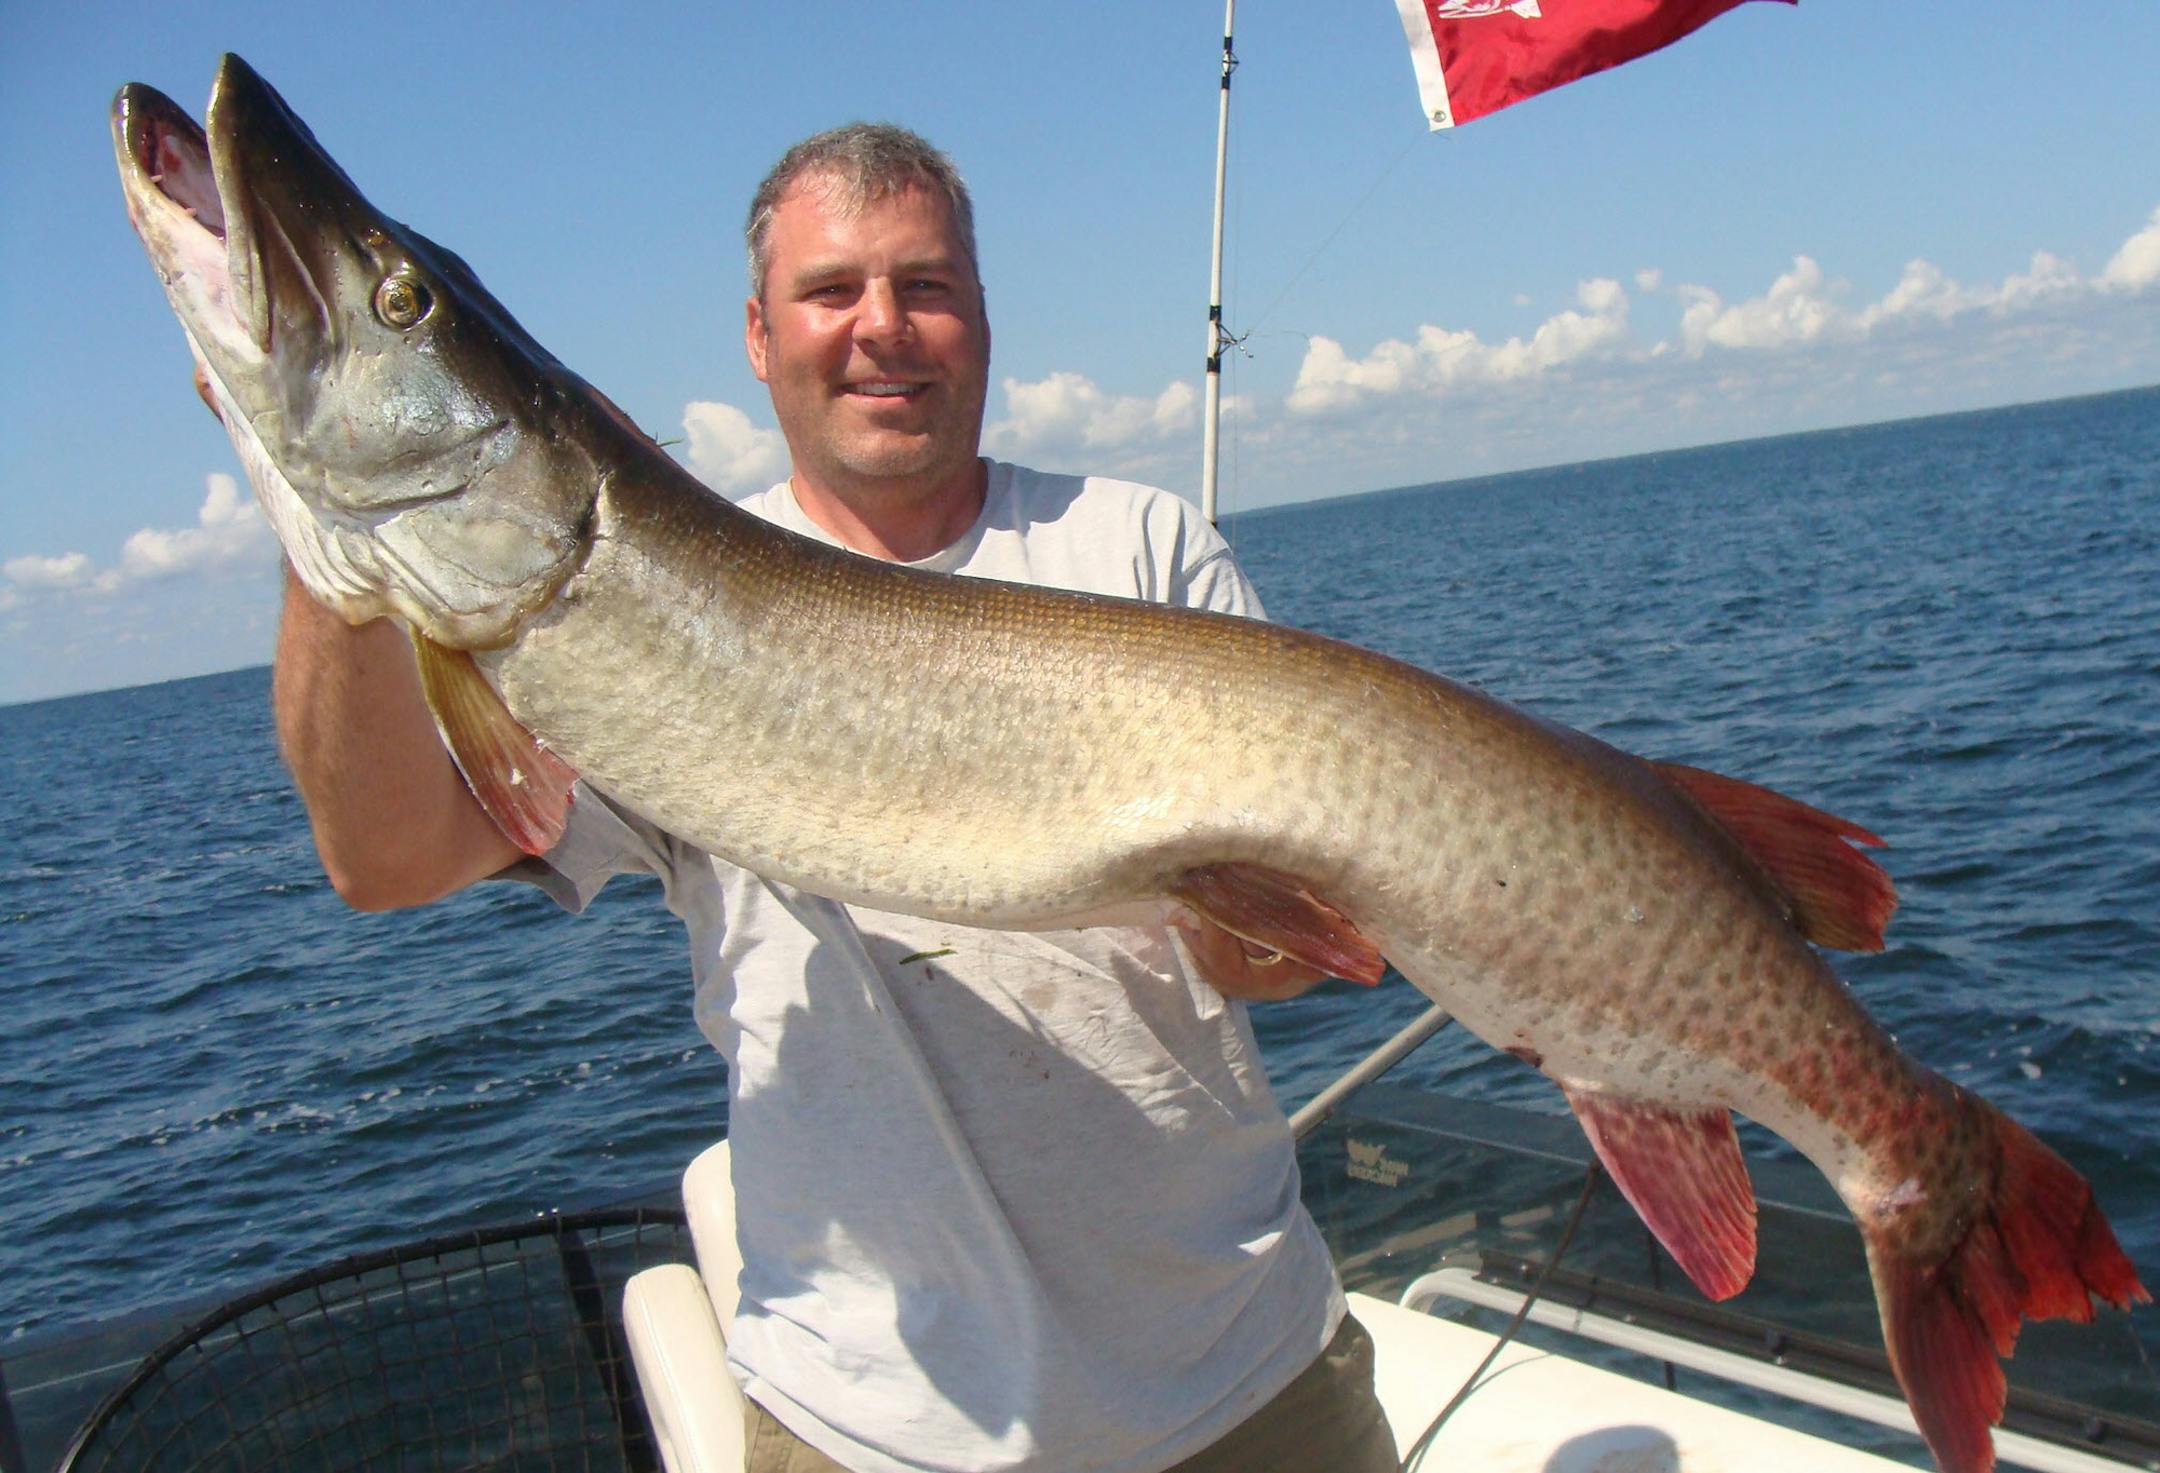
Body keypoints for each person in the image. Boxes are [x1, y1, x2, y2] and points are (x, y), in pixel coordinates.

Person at [272, 123, 1397, 1473]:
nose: (884, 328)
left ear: (980, 320)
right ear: (759, 336)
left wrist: (1280, 931)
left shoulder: (1140, 545)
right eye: (832, 292)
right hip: (868, 1435)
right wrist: (331, 546)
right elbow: (384, 857)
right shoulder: (629, 617)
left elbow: (1268, 964)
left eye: (927, 287)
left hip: (1247, 1385)